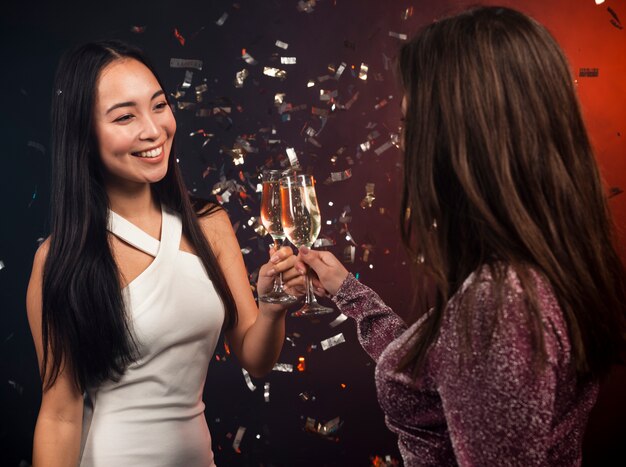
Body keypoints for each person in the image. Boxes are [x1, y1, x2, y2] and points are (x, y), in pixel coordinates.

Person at [297, 6, 626, 466]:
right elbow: (440, 373)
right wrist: (350, 293)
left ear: (464, 137)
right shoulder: (528, 273)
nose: (405, 147)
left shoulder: (501, 302)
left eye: (412, 127)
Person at [25, 40, 304, 467]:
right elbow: (60, 416)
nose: (153, 130)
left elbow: (256, 359)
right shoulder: (61, 259)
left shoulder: (209, 222)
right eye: (124, 117)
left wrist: (272, 307)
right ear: (83, 133)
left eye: (159, 106)